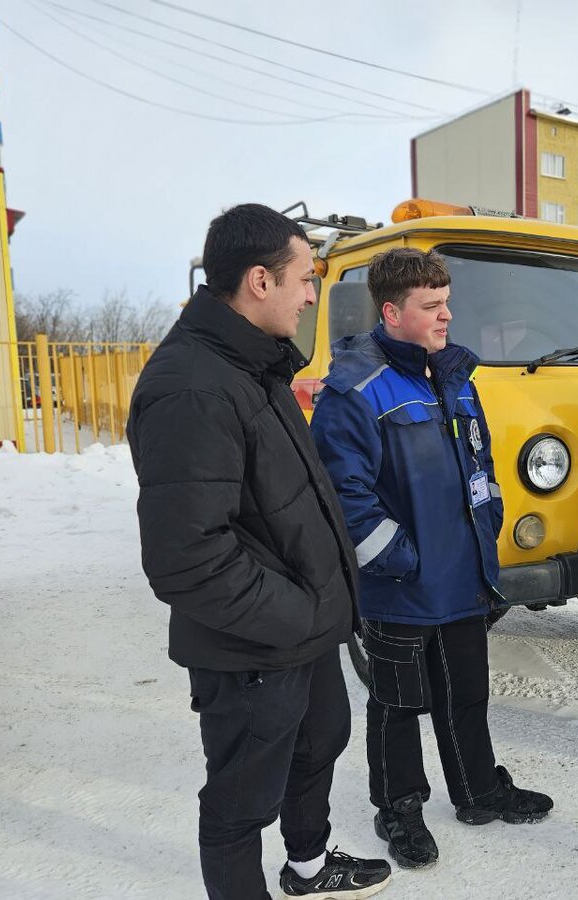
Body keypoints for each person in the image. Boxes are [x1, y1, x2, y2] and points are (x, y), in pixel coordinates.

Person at [127, 204, 391, 900]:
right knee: (240, 803)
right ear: (258, 281)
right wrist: (299, 615)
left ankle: (307, 868)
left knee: (318, 746)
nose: (313, 295)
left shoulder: (255, 367)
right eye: (306, 278)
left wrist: (319, 613)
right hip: (252, 649)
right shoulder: (192, 386)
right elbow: (187, 557)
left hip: (302, 634)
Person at [310, 248, 553, 871]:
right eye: (431, 306)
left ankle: (478, 791)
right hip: (403, 586)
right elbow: (345, 498)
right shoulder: (354, 391)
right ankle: (400, 809)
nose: (447, 316)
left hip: (463, 578)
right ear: (392, 312)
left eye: (447, 302)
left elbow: (482, 466)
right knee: (396, 705)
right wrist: (402, 559)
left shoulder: (454, 379)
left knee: (468, 692)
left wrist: (489, 523)